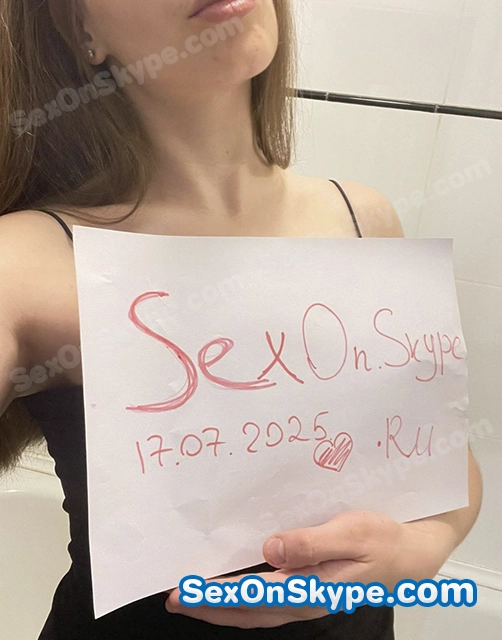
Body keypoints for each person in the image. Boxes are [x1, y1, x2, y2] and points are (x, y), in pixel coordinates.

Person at [0, 1, 482, 638]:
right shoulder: (26, 261)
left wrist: (426, 545)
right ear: (80, 29)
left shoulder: (364, 219)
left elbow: (446, 458)